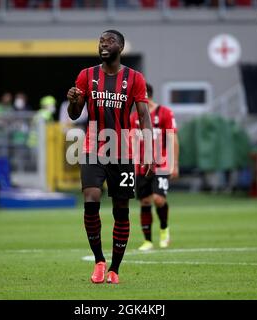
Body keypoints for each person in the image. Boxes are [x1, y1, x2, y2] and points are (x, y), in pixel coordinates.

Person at [67, 30, 153, 284]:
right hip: (93, 147)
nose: (103, 45)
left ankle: (115, 268)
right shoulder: (86, 75)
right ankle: (99, 261)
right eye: (101, 42)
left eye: (109, 41)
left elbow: (144, 116)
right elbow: (74, 114)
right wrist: (73, 100)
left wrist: (148, 150)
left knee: (121, 209)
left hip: (122, 151)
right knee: (91, 197)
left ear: (121, 47)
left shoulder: (134, 78)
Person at [130, 83, 179, 251]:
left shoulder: (165, 113)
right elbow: (132, 141)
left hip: (162, 163)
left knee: (158, 199)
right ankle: (148, 241)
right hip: (141, 166)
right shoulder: (134, 117)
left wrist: (175, 164)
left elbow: (173, 139)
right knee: (144, 201)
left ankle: (164, 228)